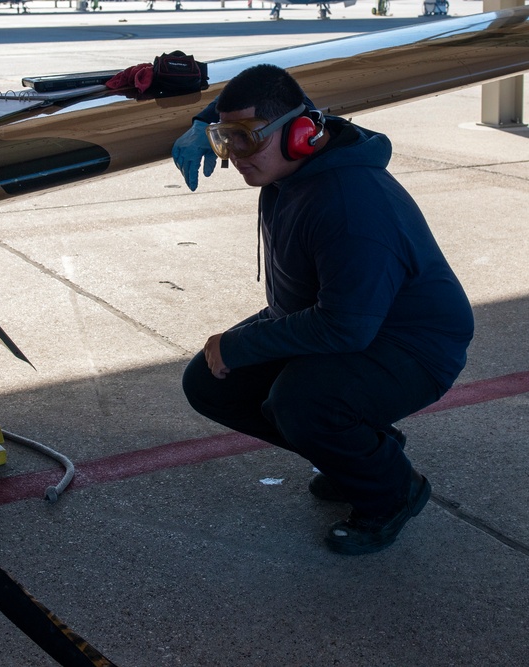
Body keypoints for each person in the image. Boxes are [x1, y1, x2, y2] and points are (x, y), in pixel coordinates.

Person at [173, 64, 474, 555]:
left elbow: (345, 326)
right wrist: (211, 119)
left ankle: (393, 492)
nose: (232, 157)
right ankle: (362, 451)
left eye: (243, 140)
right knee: (209, 382)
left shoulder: (350, 205)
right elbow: (276, 87)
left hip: (412, 345)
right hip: (345, 318)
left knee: (301, 404)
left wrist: (241, 343)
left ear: (301, 135)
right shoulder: (294, 153)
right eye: (222, 139)